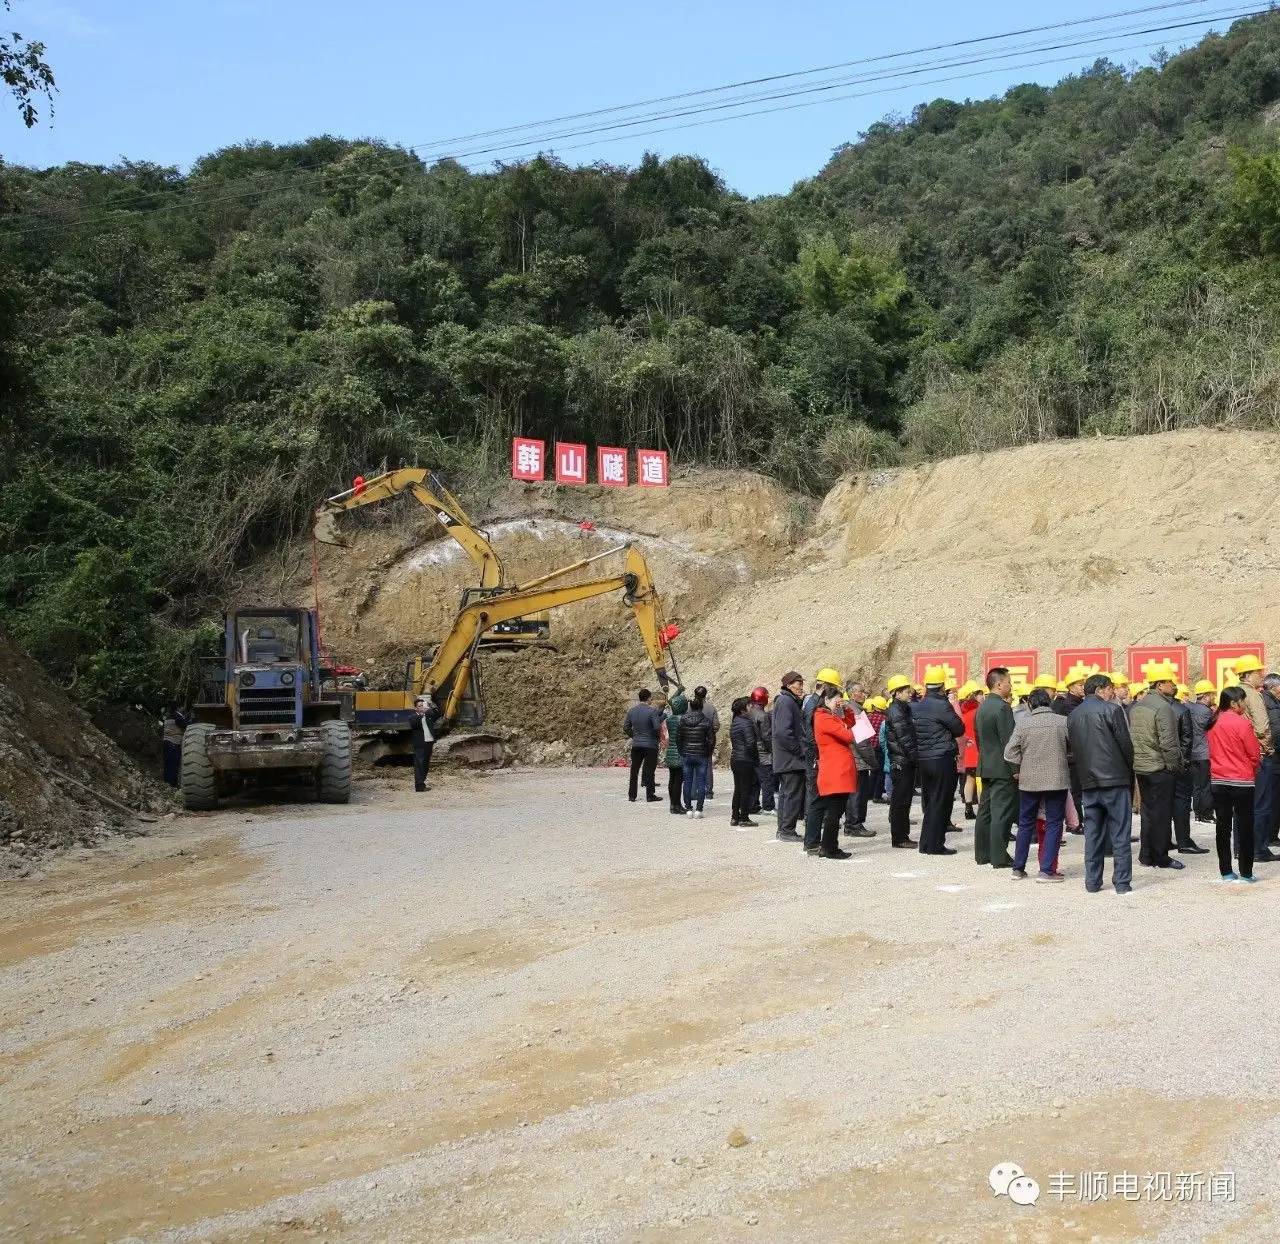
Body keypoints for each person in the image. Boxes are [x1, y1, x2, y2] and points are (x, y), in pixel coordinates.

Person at [1068, 673, 1135, 893]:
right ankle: (1122, 882)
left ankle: (1093, 881)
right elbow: (1125, 745)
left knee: (1093, 834)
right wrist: (1128, 770)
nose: (1112, 692)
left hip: (1088, 781)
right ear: (1099, 690)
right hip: (1114, 779)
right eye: (1109, 689)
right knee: (1120, 832)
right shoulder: (1112, 710)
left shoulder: (1074, 715)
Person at [1003, 687, 1070, 882]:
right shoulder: (1062, 722)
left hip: (1029, 780)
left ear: (1031, 704)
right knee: (1054, 823)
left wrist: (1022, 764)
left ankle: (1018, 868)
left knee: (1025, 823)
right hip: (1056, 778)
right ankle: (1047, 870)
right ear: (1048, 702)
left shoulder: (1023, 724)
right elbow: (1073, 746)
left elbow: (1009, 752)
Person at [1129, 664, 1185, 872]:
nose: (1174, 685)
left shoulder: (1138, 706)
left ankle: (1146, 854)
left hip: (1142, 767)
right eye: (1171, 682)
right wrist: (1173, 766)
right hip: (1159, 768)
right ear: (1160, 685)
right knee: (1162, 813)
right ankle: (1161, 857)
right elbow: (1168, 742)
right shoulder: (1163, 708)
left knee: (1148, 812)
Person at [1207, 685, 1262, 883]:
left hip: (1219, 780)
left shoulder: (1213, 721)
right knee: (1245, 826)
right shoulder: (1242, 724)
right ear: (1233, 703)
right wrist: (1252, 768)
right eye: (1243, 701)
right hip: (1242, 781)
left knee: (1222, 827)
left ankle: (1226, 872)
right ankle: (1246, 872)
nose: (1245, 704)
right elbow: (1254, 753)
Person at [912, 666, 964, 855]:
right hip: (941, 758)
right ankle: (935, 844)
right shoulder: (941, 705)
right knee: (940, 802)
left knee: (931, 801)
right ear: (942, 687)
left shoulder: (918, 705)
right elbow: (958, 728)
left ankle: (925, 843)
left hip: (924, 759)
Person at [973, 667, 1016, 869]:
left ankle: (982, 853)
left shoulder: (982, 707)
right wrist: (1015, 768)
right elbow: (1009, 742)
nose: (1011, 685)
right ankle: (999, 856)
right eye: (1009, 681)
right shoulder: (1002, 708)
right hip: (1002, 767)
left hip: (986, 764)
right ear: (999, 684)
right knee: (1001, 812)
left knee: (985, 811)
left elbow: (979, 738)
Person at [811, 685, 856, 859]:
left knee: (836, 810)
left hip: (838, 767)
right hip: (835, 769)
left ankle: (830, 846)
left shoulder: (829, 716)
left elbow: (849, 724)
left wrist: (847, 710)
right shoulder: (823, 718)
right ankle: (829, 847)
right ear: (826, 700)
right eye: (836, 699)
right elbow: (848, 735)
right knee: (834, 811)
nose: (839, 702)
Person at [803, 668, 844, 852]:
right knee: (817, 800)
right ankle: (812, 842)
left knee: (819, 799)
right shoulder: (815, 706)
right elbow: (814, 736)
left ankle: (814, 841)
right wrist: (822, 755)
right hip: (817, 757)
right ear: (827, 686)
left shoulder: (814, 702)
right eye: (833, 688)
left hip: (818, 756)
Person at [1169, 681, 1207, 854]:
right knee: (1182, 802)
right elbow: (1186, 739)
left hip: (1158, 766)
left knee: (1160, 805)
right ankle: (1184, 841)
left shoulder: (1144, 708)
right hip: (1180, 763)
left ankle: (1163, 840)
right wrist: (1184, 762)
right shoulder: (1179, 710)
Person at [771, 672, 807, 843]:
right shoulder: (786, 701)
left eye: (801, 683)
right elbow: (783, 733)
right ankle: (787, 830)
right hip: (790, 759)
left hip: (786, 758)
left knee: (787, 794)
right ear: (788, 685)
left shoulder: (786, 701)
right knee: (792, 795)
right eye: (797, 683)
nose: (800, 687)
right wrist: (799, 751)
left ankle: (784, 829)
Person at [884, 675, 919, 848]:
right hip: (902, 760)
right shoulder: (896, 711)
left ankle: (902, 835)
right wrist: (914, 756)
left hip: (904, 759)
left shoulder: (903, 708)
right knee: (900, 801)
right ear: (897, 693)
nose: (909, 693)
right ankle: (899, 838)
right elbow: (904, 737)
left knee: (904, 800)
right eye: (906, 691)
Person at [843, 681, 878, 838]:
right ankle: (854, 824)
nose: (864, 694)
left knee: (856, 793)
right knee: (858, 794)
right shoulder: (854, 711)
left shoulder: (854, 709)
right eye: (860, 691)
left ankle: (852, 823)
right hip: (858, 759)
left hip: (855, 758)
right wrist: (872, 761)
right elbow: (862, 742)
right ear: (851, 694)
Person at [677, 691, 715, 818]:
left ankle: (688, 809)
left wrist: (681, 751)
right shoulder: (706, 721)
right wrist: (708, 752)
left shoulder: (683, 719)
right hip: (702, 755)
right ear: (701, 707)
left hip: (687, 754)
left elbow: (678, 738)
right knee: (701, 782)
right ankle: (699, 809)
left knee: (687, 782)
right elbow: (711, 740)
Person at [623, 688, 663, 803]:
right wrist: (656, 738)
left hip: (636, 745)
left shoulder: (632, 711)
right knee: (650, 770)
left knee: (634, 771)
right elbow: (656, 727)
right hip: (650, 745)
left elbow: (626, 727)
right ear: (649, 698)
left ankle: (632, 795)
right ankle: (650, 795)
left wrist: (634, 736)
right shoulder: (652, 711)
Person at [1187, 679, 1216, 824]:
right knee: (1205, 785)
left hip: (1192, 752)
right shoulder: (1207, 711)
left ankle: (1198, 813)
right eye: (1212, 695)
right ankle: (1207, 814)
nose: (1214, 698)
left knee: (1196, 786)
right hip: (1204, 753)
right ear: (1205, 696)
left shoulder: (1189, 708)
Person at [729, 696, 760, 828]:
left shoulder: (735, 721)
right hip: (745, 759)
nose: (752, 707)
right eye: (749, 705)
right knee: (746, 789)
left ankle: (735, 817)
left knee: (738, 789)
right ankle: (744, 817)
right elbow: (750, 743)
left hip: (736, 758)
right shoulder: (746, 722)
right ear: (743, 710)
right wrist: (755, 757)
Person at [957, 681, 983, 819]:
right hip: (978, 750)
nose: (983, 696)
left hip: (968, 750)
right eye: (980, 694)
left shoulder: (963, 711)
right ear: (975, 695)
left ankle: (968, 808)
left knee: (969, 779)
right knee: (979, 780)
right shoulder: (979, 711)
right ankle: (982, 809)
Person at [1260, 674, 1280, 851]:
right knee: (1273, 799)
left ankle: (1270, 834)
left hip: (1271, 757)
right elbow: (1276, 731)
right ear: (1274, 687)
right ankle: (1270, 835)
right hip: (1274, 758)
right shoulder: (1271, 704)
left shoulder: (1265, 700)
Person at [660, 691, 688, 815]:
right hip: (680, 752)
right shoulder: (683, 719)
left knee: (672, 779)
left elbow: (671, 701)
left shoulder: (669, 719)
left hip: (671, 751)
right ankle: (677, 805)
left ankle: (673, 804)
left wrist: (678, 691)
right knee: (678, 780)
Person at [747, 687, 774, 815]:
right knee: (767, 779)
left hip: (749, 749)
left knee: (753, 779)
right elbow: (766, 736)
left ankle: (752, 805)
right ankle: (768, 806)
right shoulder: (763, 716)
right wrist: (772, 750)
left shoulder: (747, 713)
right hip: (762, 750)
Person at [412, 692, 442, 792]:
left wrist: (434, 700)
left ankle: (422, 783)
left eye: (423, 705)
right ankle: (419, 786)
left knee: (425, 764)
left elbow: (439, 712)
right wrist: (422, 714)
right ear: (416, 708)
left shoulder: (429, 716)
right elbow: (414, 724)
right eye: (419, 706)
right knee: (419, 764)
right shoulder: (413, 717)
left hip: (429, 742)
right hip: (420, 744)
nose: (421, 707)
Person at [694, 686, 720, 800]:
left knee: (693, 766)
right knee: (708, 765)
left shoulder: (689, 708)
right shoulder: (711, 708)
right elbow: (716, 726)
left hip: (693, 740)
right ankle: (708, 792)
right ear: (705, 695)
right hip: (708, 741)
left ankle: (694, 791)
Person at [161, 704, 190, 787]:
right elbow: (186, 726)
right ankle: (172, 785)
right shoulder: (177, 716)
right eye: (181, 707)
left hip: (166, 743)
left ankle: (167, 783)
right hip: (174, 744)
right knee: (174, 765)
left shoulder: (168, 717)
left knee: (168, 764)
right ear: (177, 708)